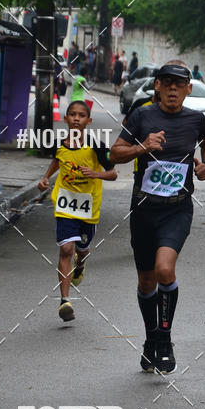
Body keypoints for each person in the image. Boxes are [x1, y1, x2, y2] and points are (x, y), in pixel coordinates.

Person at [110, 61, 205, 374]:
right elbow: (114, 154)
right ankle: (150, 339)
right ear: (157, 86)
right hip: (144, 209)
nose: (172, 88)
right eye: (166, 82)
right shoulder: (142, 115)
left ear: (187, 89)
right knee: (146, 281)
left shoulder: (195, 119)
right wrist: (142, 147)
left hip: (177, 208)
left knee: (164, 269)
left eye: (178, 84)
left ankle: (165, 339)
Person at [37, 101, 117, 322]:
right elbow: (57, 160)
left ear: (88, 121)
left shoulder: (97, 146)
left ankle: (80, 264)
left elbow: (113, 174)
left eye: (81, 115)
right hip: (65, 204)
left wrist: (95, 173)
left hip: (88, 207)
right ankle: (65, 301)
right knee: (66, 249)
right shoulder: (59, 144)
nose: (76, 118)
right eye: (72, 114)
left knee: (81, 250)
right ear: (66, 119)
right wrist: (45, 179)